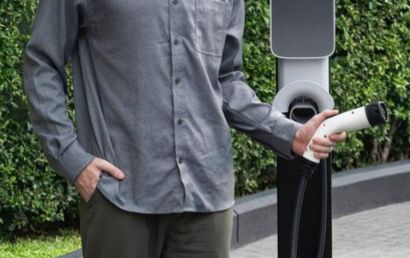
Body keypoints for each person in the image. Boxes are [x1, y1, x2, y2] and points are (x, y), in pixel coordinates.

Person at [22, 0, 345, 257]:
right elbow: (42, 62)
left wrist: (289, 133)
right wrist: (71, 157)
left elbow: (226, 81)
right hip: (120, 193)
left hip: (206, 193)